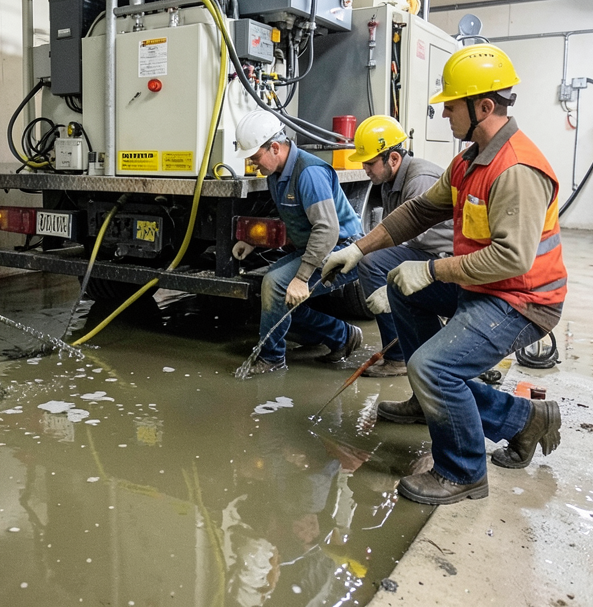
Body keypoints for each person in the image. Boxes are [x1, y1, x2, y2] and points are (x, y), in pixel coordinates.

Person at [322, 44, 566, 505]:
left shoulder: (515, 168)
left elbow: (513, 258)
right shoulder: (468, 160)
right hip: (486, 287)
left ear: (484, 107)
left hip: (523, 300)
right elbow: (417, 213)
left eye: (451, 107)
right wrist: (357, 248)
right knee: (401, 291)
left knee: (433, 366)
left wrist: (433, 269)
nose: (445, 115)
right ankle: (510, 417)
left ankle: (462, 471)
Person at [232, 110, 364, 374]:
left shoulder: (309, 173)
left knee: (277, 285)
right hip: (320, 246)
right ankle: (342, 335)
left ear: (275, 148)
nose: (253, 164)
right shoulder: (276, 174)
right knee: (275, 294)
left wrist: (301, 277)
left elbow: (327, 230)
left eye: (255, 157)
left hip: (344, 251)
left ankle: (271, 359)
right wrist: (253, 242)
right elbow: (294, 218)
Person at [345, 115, 453, 377]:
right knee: (373, 260)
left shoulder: (419, 180)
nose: (365, 168)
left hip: (443, 256)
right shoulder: (389, 181)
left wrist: (368, 255)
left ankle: (398, 357)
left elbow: (411, 236)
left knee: (373, 265)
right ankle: (403, 348)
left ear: (393, 159)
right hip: (423, 249)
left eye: (369, 163)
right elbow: (390, 230)